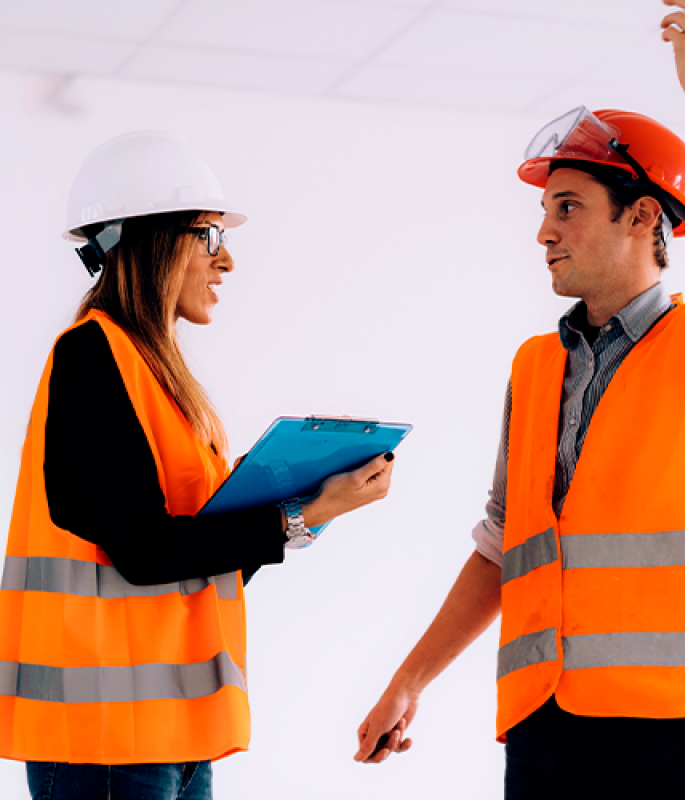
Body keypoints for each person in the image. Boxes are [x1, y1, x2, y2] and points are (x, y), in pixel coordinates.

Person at [354, 2, 685, 798]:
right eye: (544, 211)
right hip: (544, 742)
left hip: (673, 754)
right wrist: (411, 679)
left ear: (640, 218)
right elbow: (503, 548)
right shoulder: (536, 369)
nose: (544, 232)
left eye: (567, 208)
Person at [0, 130, 395, 800]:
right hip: (104, 742)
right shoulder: (92, 359)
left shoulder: (158, 380)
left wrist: (292, 504)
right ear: (153, 242)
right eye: (211, 236)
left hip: (167, 735)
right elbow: (145, 552)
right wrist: (303, 513)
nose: (229, 262)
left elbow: (197, 568)